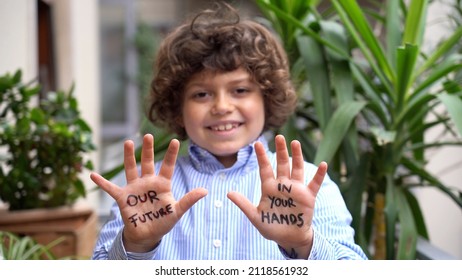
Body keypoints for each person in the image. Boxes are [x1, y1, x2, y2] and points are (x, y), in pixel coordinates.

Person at [90, 2, 367, 260]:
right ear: (177, 106)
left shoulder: (308, 185)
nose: (222, 106)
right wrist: (136, 244)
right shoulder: (144, 189)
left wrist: (305, 243)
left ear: (267, 98)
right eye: (201, 94)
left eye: (240, 90)